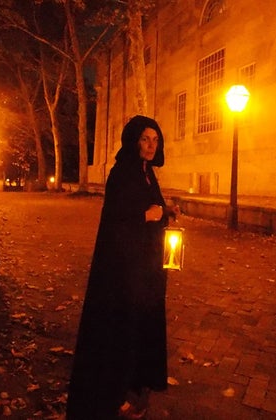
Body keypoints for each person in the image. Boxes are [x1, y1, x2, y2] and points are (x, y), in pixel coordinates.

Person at [66, 115, 174, 419]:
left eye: (155, 140)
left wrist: (166, 211)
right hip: (123, 269)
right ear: (134, 141)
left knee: (137, 326)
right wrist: (147, 216)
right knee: (119, 329)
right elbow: (116, 218)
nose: (151, 145)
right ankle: (112, 396)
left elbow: (151, 208)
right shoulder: (122, 173)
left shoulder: (147, 173)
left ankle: (132, 382)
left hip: (145, 267)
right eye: (145, 139)